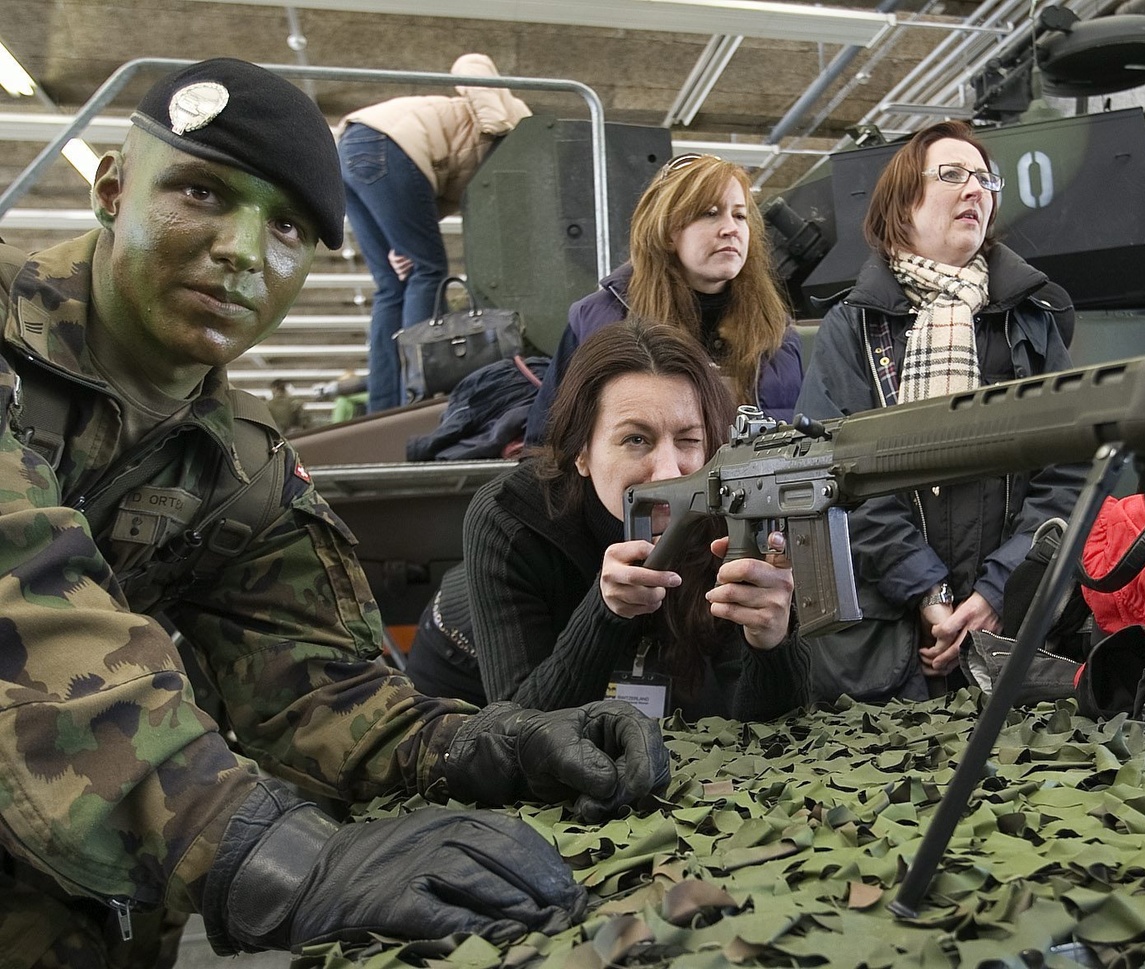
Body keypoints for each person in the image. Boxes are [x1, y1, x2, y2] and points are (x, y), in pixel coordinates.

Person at [0, 58, 668, 968]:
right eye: (201, 192)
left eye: (285, 226)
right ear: (112, 191)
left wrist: (489, 741)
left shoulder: (240, 465)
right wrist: (287, 860)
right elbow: (24, 613)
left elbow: (319, 683)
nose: (242, 249)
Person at [795, 119, 1085, 703]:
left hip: (1020, 630)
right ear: (902, 204)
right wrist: (929, 593)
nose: (975, 189)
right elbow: (836, 472)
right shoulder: (852, 326)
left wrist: (1000, 592)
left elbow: (1070, 472)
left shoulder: (1032, 323)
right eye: (952, 175)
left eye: (984, 178)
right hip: (889, 642)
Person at [412, 321, 809, 722]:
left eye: (688, 440)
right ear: (581, 452)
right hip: (466, 681)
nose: (669, 472)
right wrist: (606, 610)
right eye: (636, 440)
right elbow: (519, 730)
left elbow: (767, 730)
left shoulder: (727, 500)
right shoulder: (508, 517)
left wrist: (771, 641)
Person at [523, 152, 802, 445]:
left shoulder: (777, 333)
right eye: (710, 213)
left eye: (740, 215)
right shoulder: (599, 321)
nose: (731, 228)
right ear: (668, 232)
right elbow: (546, 446)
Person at [337, 53, 531, 414]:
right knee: (430, 271)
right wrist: (499, 126)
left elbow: (430, 201)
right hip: (390, 146)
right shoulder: (517, 119)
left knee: (393, 286)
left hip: (353, 151)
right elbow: (471, 63)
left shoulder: (478, 165)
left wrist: (402, 241)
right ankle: (416, 392)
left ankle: (384, 407)